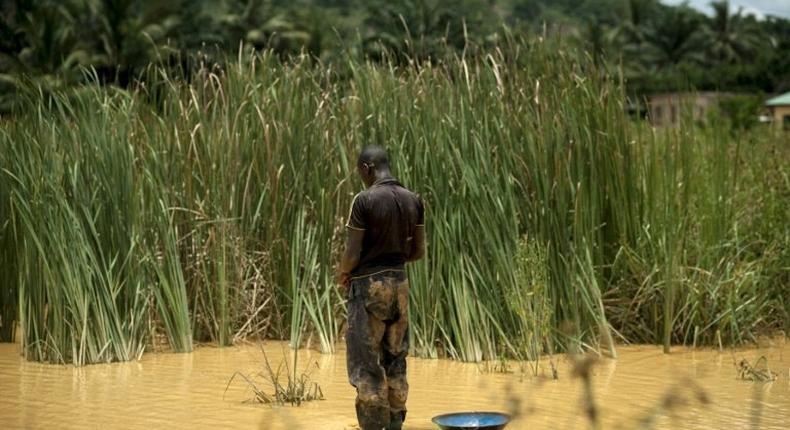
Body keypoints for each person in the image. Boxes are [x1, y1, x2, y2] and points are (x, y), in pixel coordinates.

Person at [337, 146, 426, 430]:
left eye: (360, 172)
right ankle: (396, 422)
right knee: (396, 357)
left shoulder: (364, 200)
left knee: (367, 364)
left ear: (367, 168)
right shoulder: (414, 200)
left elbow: (352, 254)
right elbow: (418, 251)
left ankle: (374, 425)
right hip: (400, 284)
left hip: (369, 286)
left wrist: (343, 273)